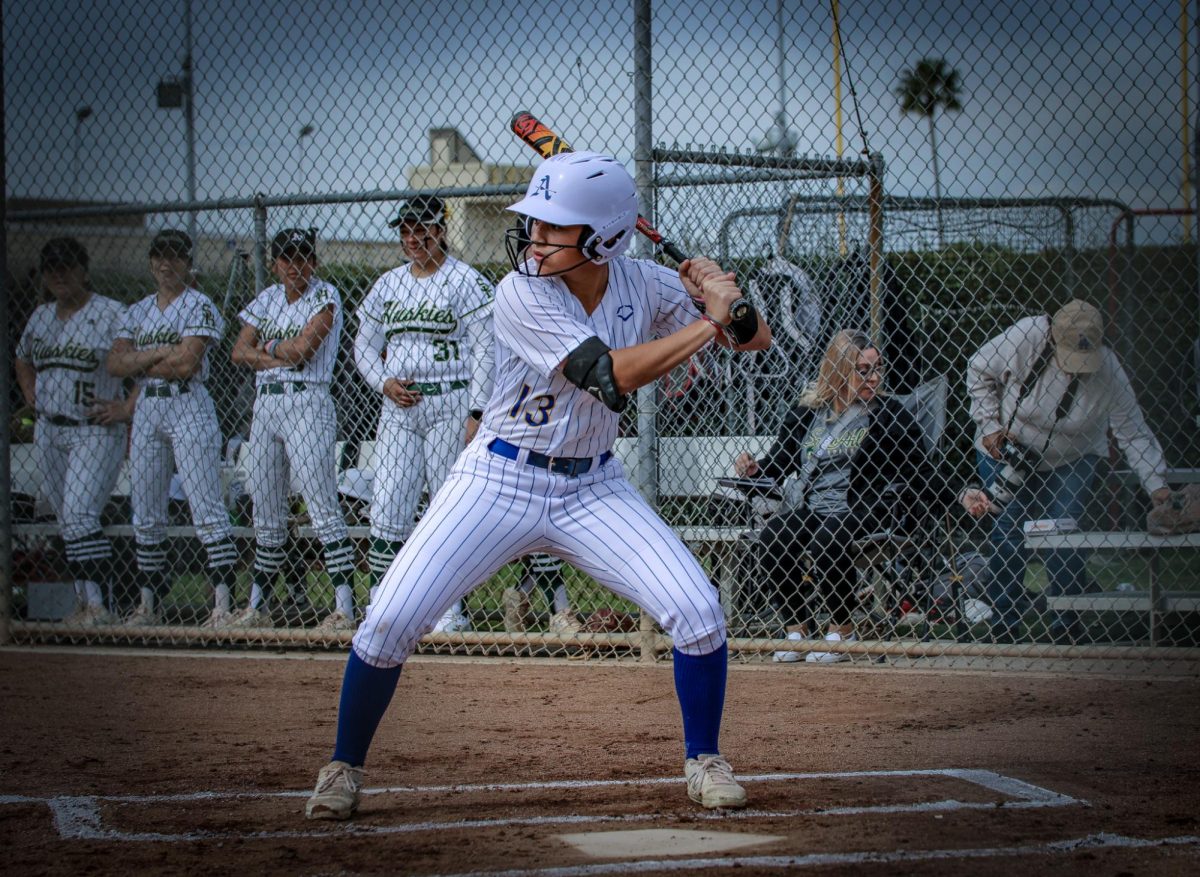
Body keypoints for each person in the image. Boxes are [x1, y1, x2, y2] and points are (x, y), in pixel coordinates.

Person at [304, 151, 771, 821]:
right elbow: (609, 374)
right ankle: (342, 763)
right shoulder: (518, 292)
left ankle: (705, 757)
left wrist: (731, 301)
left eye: (554, 228)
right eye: (536, 224)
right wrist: (710, 319)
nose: (535, 238)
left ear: (604, 238)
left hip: (592, 485)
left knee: (697, 610)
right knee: (390, 620)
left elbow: (756, 341)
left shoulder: (642, 283)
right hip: (498, 477)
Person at [960, 299, 1170, 643]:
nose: (1076, 368)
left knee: (1064, 537)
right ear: (1054, 339)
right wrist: (989, 426)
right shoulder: (1027, 336)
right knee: (1008, 535)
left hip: (1073, 456)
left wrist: (1157, 486)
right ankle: (1005, 627)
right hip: (1008, 445)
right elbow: (978, 368)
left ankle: (1067, 626)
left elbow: (1133, 431)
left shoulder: (1109, 372)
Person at [733, 330, 944, 663]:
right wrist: (752, 469)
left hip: (864, 506)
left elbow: (920, 469)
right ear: (839, 369)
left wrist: (956, 496)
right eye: (863, 369)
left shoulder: (888, 414)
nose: (874, 377)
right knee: (773, 537)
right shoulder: (808, 412)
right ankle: (797, 631)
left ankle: (842, 632)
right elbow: (778, 463)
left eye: (878, 368)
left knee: (826, 540)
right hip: (815, 507)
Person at [352, 195, 495, 631]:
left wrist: (477, 410)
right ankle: (382, 605)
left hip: (449, 401)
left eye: (422, 229)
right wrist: (383, 382)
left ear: (441, 230)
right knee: (388, 503)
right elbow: (363, 346)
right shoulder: (388, 283)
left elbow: (486, 349)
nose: (413, 238)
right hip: (399, 405)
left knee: (443, 507)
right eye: (406, 230)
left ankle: (449, 611)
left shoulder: (464, 280)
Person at [107, 229, 237, 626]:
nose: (167, 264)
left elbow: (187, 364)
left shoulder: (199, 305)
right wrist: (165, 350)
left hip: (189, 405)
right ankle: (148, 605)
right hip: (147, 407)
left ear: (187, 262)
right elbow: (114, 364)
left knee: (207, 509)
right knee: (145, 512)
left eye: (175, 257)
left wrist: (142, 358)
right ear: (151, 262)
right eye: (160, 256)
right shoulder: (137, 310)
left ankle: (223, 605)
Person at [229, 228, 356, 631]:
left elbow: (304, 352)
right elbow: (237, 351)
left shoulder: (325, 295)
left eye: (302, 257)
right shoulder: (265, 299)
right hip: (266, 405)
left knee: (322, 508)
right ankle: (257, 607)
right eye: (286, 258)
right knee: (265, 511)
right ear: (275, 262)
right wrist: (277, 353)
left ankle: (344, 609)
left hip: (308, 402)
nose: (294, 265)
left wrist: (266, 349)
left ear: (313, 261)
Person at [15, 238, 130, 625]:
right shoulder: (41, 316)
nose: (58, 275)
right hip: (49, 429)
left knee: (80, 515)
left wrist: (126, 408)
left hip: (93, 429)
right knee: (67, 521)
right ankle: (85, 604)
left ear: (84, 270)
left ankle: (99, 605)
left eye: (66, 267)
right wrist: (29, 389)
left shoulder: (112, 313)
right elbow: (22, 358)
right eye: (51, 268)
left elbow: (144, 369)